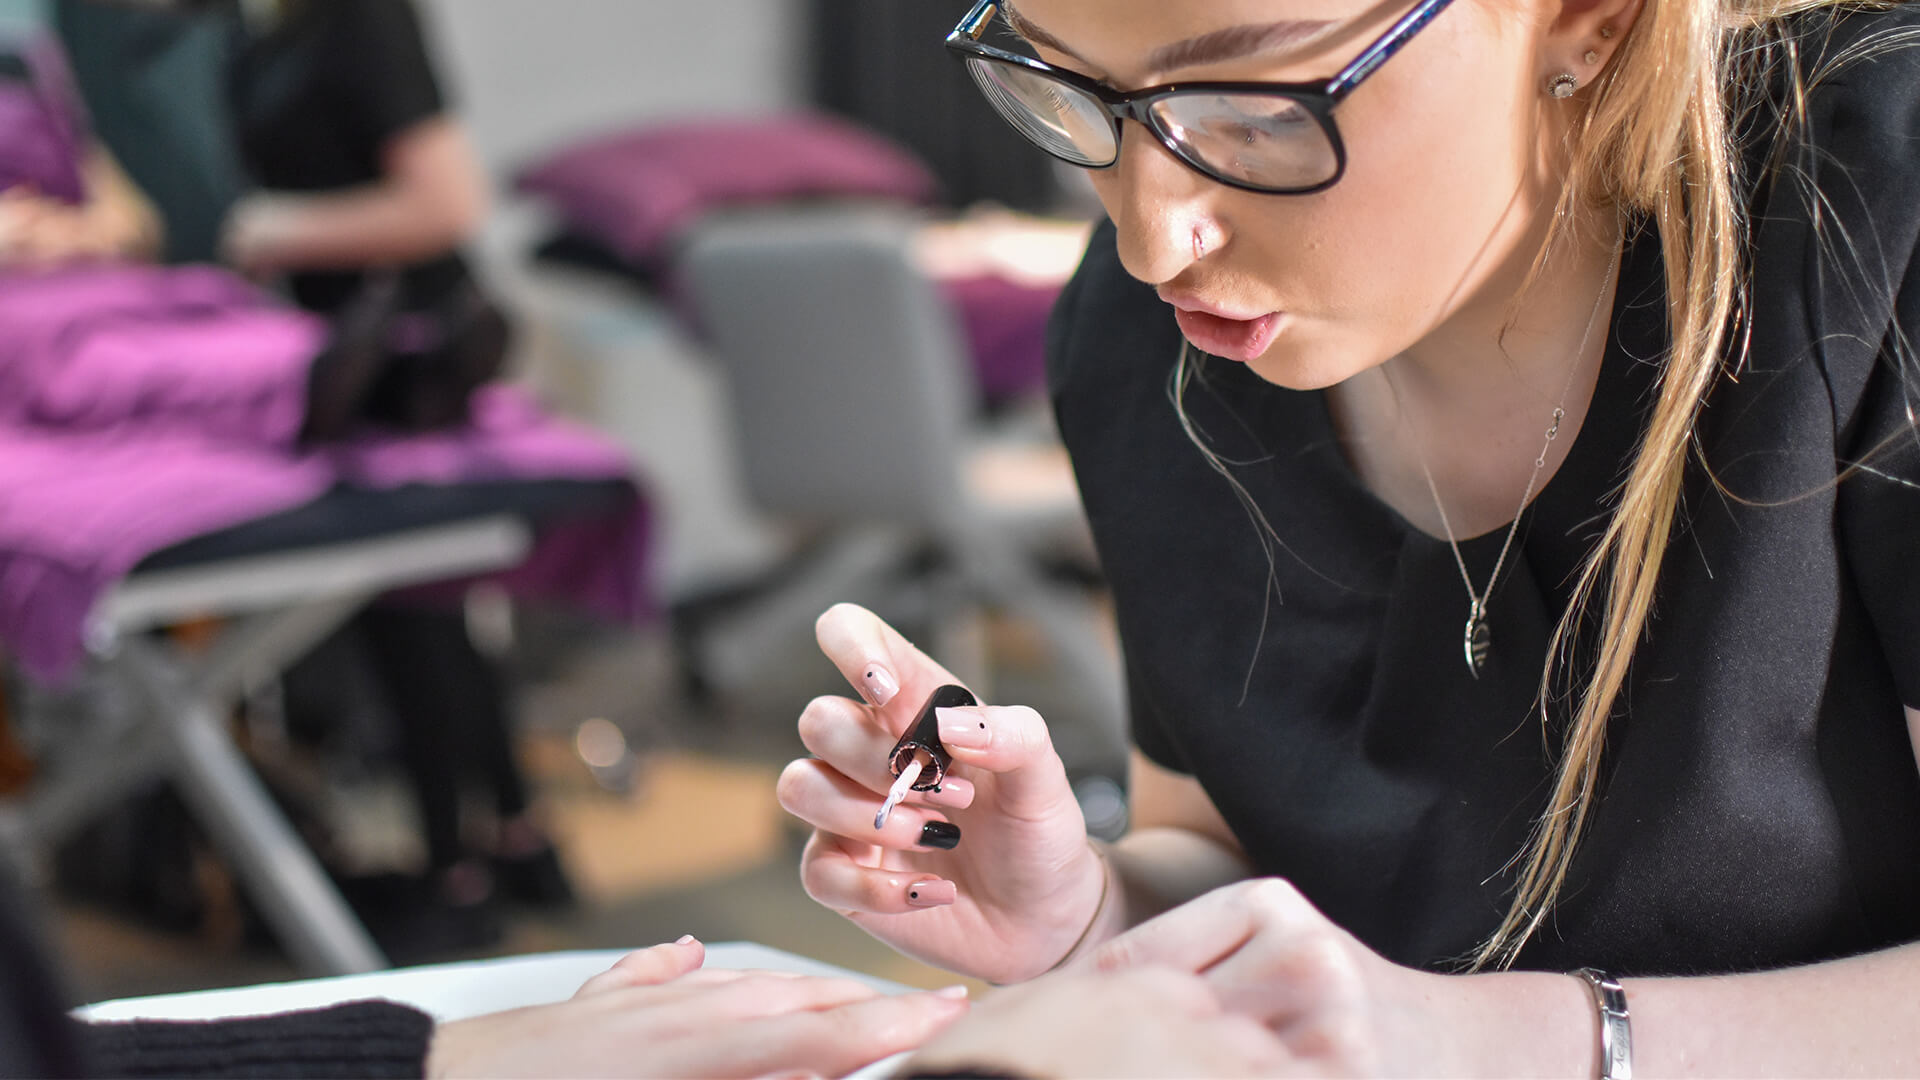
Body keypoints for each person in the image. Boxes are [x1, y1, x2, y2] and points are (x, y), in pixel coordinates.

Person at [777, 0, 1920, 1073]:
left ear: (1589, 16)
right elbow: (1229, 849)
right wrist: (1089, 915)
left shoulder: (1874, 217)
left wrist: (1496, 1044)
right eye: (1069, 87)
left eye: (1253, 112)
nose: (1151, 242)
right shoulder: (1149, 351)